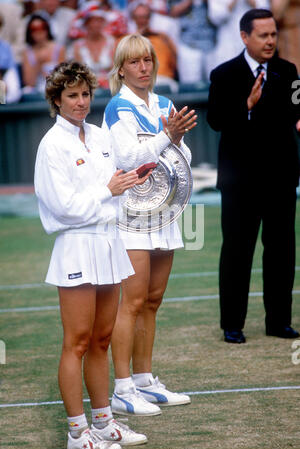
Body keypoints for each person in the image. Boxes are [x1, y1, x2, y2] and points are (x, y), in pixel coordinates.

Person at [34, 60, 149, 449]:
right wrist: (107, 193)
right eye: (72, 95)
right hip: (77, 247)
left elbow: (119, 180)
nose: (80, 102)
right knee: (77, 342)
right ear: (57, 99)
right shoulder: (51, 145)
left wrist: (132, 180)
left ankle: (103, 423)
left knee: (101, 339)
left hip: (108, 243)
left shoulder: (100, 137)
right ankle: (77, 434)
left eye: (85, 94)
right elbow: (64, 207)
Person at [102, 33, 197, 416]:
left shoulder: (165, 103)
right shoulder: (117, 107)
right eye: (135, 61)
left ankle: (143, 380)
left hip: (165, 211)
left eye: (148, 60)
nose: (143, 68)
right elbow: (128, 157)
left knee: (153, 301)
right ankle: (122, 388)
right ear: (121, 68)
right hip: (131, 215)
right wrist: (166, 136)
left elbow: (183, 156)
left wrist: (172, 139)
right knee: (134, 301)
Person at [207, 9, 300, 344]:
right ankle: (233, 323)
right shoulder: (223, 74)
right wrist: (246, 104)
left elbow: (295, 113)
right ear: (244, 37)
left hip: (281, 180)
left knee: (282, 251)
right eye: (263, 35)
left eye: (273, 34)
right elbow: (215, 120)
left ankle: (279, 322)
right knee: (237, 252)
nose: (271, 41)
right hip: (240, 183)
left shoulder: (289, 72)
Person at [207, 0, 271, 72]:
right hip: (226, 48)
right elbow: (215, 18)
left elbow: (266, 15)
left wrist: (252, 3)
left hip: (253, 48)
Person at [129, 1, 179, 92]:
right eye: (138, 17)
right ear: (133, 19)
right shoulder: (126, 41)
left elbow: (176, 59)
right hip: (137, 82)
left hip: (163, 80)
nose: (141, 20)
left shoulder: (162, 38)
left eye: (145, 17)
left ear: (150, 18)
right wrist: (138, 35)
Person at [168, 0, 217, 84]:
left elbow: (221, 10)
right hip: (188, 44)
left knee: (214, 83)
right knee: (190, 84)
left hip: (211, 43)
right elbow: (173, 12)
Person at [70, 9, 115, 89]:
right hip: (86, 88)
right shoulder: (78, 45)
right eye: (93, 21)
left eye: (99, 21)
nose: (96, 24)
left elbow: (115, 69)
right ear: (86, 24)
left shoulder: (112, 42)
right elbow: (77, 72)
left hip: (109, 88)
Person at [22, 15, 66, 94]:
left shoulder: (59, 49)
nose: (38, 32)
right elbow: (29, 83)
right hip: (36, 89)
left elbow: (62, 77)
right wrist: (38, 64)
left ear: (47, 29)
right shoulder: (27, 52)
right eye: (34, 29)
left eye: (42, 27)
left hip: (56, 89)